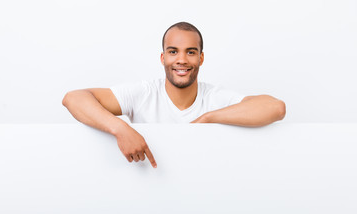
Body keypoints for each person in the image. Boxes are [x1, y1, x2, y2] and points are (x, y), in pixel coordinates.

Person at [62, 22, 286, 169]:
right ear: (162, 58)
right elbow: (73, 98)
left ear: (201, 58)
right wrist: (121, 129)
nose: (181, 60)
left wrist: (208, 118)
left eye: (191, 52)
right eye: (173, 52)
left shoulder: (215, 97)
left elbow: (275, 108)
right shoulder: (144, 93)